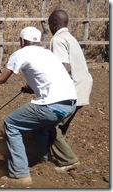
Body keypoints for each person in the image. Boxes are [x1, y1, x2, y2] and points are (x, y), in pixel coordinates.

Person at [0, 26, 77, 185]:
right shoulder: (47, 53)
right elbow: (49, 76)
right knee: (42, 126)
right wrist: (32, 88)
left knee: (11, 123)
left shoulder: (19, 54)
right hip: (71, 102)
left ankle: (20, 174)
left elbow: (2, 79)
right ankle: (42, 159)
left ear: (22, 41)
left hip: (51, 105)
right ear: (38, 41)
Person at [45, 9, 93, 172]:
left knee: (50, 124)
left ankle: (69, 160)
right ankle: (53, 153)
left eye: (50, 24)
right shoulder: (70, 38)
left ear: (54, 23)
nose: (50, 27)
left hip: (73, 90)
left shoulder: (57, 40)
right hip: (83, 86)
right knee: (61, 125)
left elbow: (63, 67)